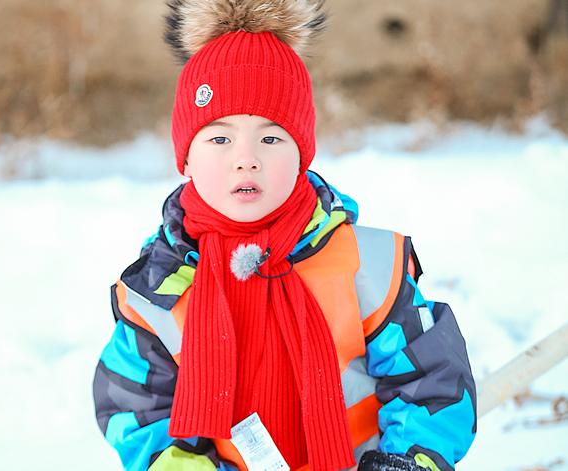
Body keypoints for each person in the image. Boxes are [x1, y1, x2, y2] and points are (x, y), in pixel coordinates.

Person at [92, 1, 477, 470]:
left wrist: (407, 460)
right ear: (186, 157)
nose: (246, 158)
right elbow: (138, 412)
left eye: (271, 138)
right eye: (219, 138)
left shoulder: (365, 265)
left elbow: (432, 379)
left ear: (303, 154)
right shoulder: (159, 291)